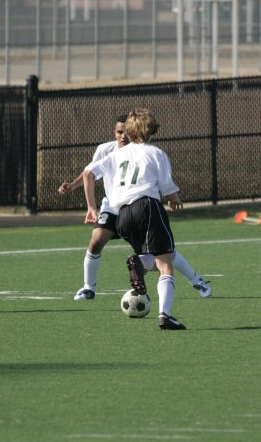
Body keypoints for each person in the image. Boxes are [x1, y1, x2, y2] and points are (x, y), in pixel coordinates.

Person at [58, 115, 211, 302]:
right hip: (114, 207)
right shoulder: (106, 150)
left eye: (126, 132)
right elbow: (88, 172)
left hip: (136, 207)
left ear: (134, 132)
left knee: (159, 254)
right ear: (114, 133)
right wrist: (84, 198)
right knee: (96, 241)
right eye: (119, 132)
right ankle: (88, 288)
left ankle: (196, 280)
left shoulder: (143, 151)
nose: (123, 136)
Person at [83, 108, 188, 330]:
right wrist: (175, 199)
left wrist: (91, 206)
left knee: (150, 257)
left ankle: (139, 262)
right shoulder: (155, 153)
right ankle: (165, 315)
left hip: (122, 215)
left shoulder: (115, 154)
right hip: (147, 207)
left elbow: (88, 173)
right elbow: (167, 186)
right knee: (166, 263)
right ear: (150, 129)